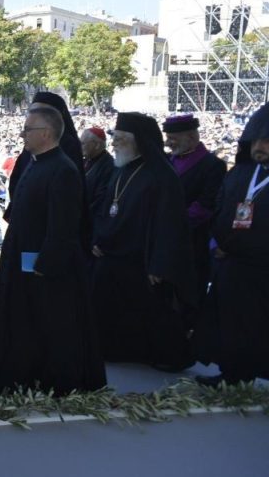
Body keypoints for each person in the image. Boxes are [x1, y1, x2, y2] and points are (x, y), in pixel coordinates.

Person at [0, 105, 106, 394]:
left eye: (28, 129)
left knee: (39, 325)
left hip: (40, 265)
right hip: (19, 257)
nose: (22, 134)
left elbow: (62, 227)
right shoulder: (39, 162)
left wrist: (45, 264)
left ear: (45, 133)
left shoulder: (62, 169)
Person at [90, 112, 196, 371]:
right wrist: (96, 238)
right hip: (111, 254)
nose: (114, 143)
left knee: (151, 312)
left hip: (142, 260)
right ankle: (114, 350)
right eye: (115, 137)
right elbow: (105, 208)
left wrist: (160, 264)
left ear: (140, 141)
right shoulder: (120, 169)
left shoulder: (162, 175)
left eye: (121, 139)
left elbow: (169, 225)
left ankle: (164, 356)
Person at [194, 102, 269, 385]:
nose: (259, 146)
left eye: (266, 141)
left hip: (261, 268)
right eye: (256, 140)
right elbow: (220, 207)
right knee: (231, 323)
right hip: (231, 264)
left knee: (256, 326)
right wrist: (219, 242)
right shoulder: (242, 173)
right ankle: (233, 374)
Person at [162, 113, 226, 309]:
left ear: (190, 137)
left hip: (193, 242)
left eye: (173, 139)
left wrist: (173, 225)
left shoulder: (212, 165)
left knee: (189, 296)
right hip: (165, 240)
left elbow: (206, 205)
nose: (168, 143)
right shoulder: (167, 161)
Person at [81, 126, 114, 231]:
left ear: (96, 145)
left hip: (92, 222)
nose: (80, 147)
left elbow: (101, 199)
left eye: (83, 143)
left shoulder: (109, 165)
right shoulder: (86, 160)